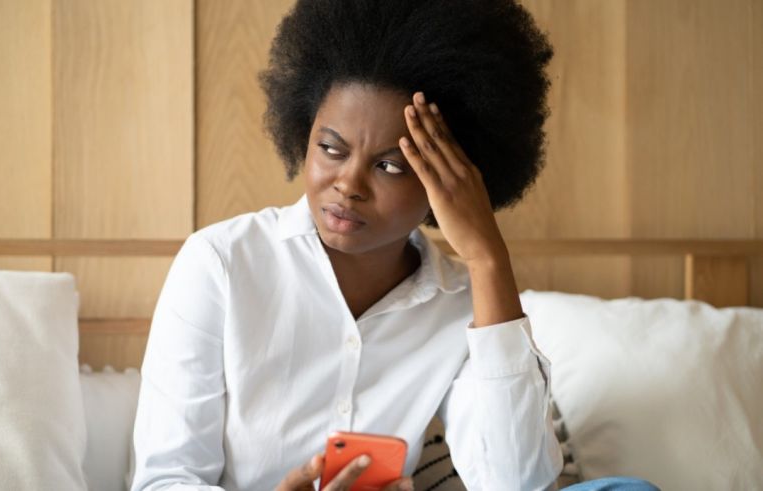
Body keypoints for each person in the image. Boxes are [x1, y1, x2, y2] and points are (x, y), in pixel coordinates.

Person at [131, 0, 659, 490]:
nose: (349, 184)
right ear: (303, 134)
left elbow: (515, 483)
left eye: (389, 166)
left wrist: (487, 258)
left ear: (448, 182)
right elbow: (163, 479)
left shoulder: (460, 305)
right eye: (331, 149)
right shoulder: (222, 264)